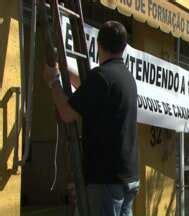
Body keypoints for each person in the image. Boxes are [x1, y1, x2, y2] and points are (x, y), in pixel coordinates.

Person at [43, 21, 139, 216]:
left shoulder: (101, 77)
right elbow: (89, 90)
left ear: (98, 45)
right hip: (128, 177)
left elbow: (66, 114)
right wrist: (64, 69)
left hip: (106, 180)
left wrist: (53, 81)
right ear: (123, 47)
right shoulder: (126, 77)